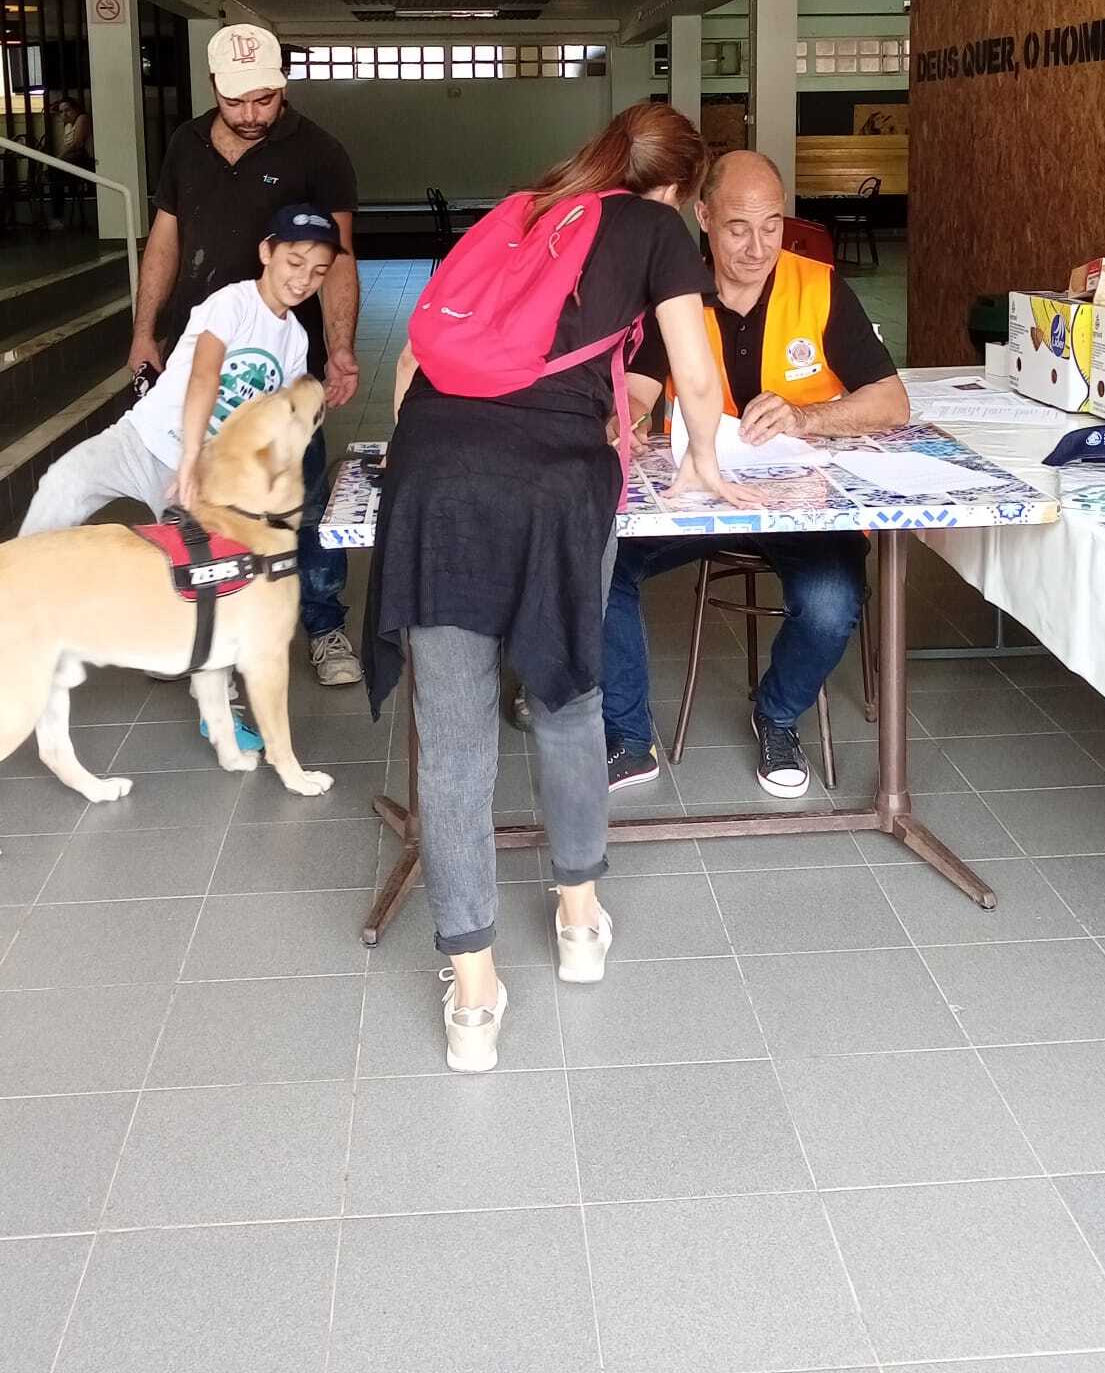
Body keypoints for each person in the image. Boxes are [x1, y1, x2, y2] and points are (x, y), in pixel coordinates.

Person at [363, 103, 761, 1073]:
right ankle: (579, 919)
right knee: (568, 699)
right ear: (681, 188)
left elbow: (414, 359)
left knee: (452, 742)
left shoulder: (525, 208)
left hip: (435, 486)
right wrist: (707, 462)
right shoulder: (654, 228)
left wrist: (431, 461)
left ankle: (473, 998)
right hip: (553, 491)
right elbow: (696, 375)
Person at [601, 149, 909, 798]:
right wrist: (626, 416)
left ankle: (777, 714)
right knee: (596, 563)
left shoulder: (819, 288)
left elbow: (891, 402)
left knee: (831, 603)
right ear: (704, 217)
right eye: (738, 228)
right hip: (703, 498)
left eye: (771, 226)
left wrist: (807, 416)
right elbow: (637, 389)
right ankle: (627, 734)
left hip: (805, 502)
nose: (757, 246)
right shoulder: (673, 293)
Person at [20, 205, 344, 752]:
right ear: (266, 252)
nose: (303, 279)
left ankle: (219, 713)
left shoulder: (293, 341)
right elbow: (204, 375)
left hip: (204, 478)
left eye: (317, 271)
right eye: (294, 262)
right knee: (63, 483)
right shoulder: (231, 303)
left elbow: (276, 424)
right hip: (143, 440)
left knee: (213, 586)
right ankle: (15, 598)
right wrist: (191, 455)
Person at [127, 25, 363, 686]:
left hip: (280, 367)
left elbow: (339, 259)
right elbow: (165, 242)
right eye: (236, 102)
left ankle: (324, 626)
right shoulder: (185, 144)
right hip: (197, 359)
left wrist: (340, 348)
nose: (252, 114)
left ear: (282, 86)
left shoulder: (319, 153)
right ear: (214, 88)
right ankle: (194, 630)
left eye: (265, 99)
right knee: (191, 498)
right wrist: (144, 331)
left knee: (299, 498)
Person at [48, 96, 94, 228]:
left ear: (75, 109)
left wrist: (59, 158)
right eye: (61, 112)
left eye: (67, 110)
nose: (64, 114)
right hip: (71, 159)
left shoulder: (82, 118)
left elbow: (76, 143)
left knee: (55, 175)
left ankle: (57, 216)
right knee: (53, 176)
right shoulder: (68, 125)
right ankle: (57, 214)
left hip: (82, 158)